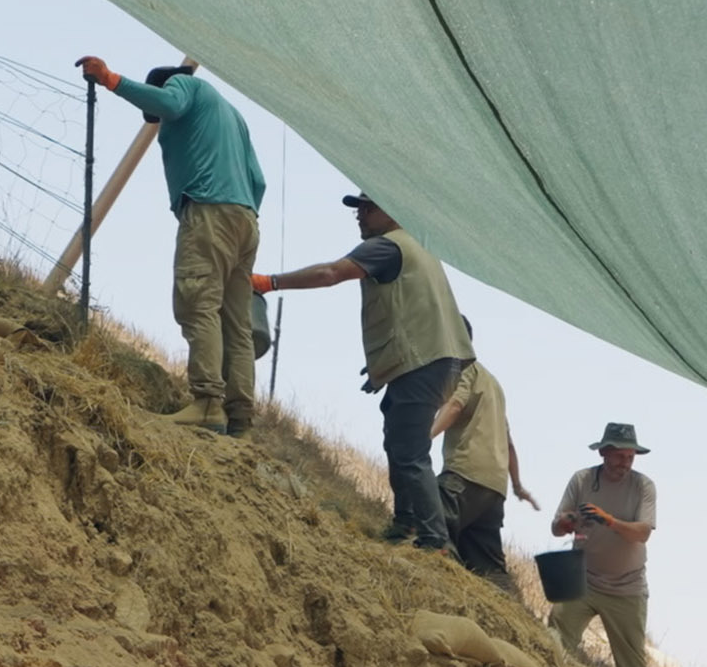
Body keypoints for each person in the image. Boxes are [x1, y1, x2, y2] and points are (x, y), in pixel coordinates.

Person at [251, 192, 473, 550]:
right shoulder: (420, 248)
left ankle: (434, 540)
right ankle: (405, 523)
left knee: (410, 451)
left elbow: (330, 273)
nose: (360, 215)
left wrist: (269, 282)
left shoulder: (387, 246)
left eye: (368, 208)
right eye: (358, 209)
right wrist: (387, 364)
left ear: (393, 212)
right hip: (436, 362)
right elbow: (413, 314)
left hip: (424, 363)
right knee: (399, 440)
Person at [73, 55, 265, 434]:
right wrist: (239, 213)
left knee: (197, 303)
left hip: (208, 210)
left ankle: (208, 402)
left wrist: (111, 80)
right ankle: (240, 419)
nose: (160, 122)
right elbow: (258, 180)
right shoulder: (233, 117)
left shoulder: (184, 84)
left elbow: (171, 104)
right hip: (245, 219)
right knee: (237, 322)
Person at [549, 423, 659, 667]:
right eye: (620, 456)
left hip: (626, 587)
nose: (626, 463)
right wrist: (568, 521)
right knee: (553, 642)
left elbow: (642, 533)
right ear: (603, 453)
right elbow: (556, 528)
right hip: (582, 579)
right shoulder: (582, 480)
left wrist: (608, 520)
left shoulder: (643, 486)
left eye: (630, 457)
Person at [429, 325, 538, 587]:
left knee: (428, 521)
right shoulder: (494, 384)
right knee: (488, 567)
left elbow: (455, 405)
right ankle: (508, 604)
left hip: (464, 475)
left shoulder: (464, 369)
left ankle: (446, 581)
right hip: (494, 489)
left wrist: (425, 436)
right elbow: (508, 443)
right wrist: (517, 485)